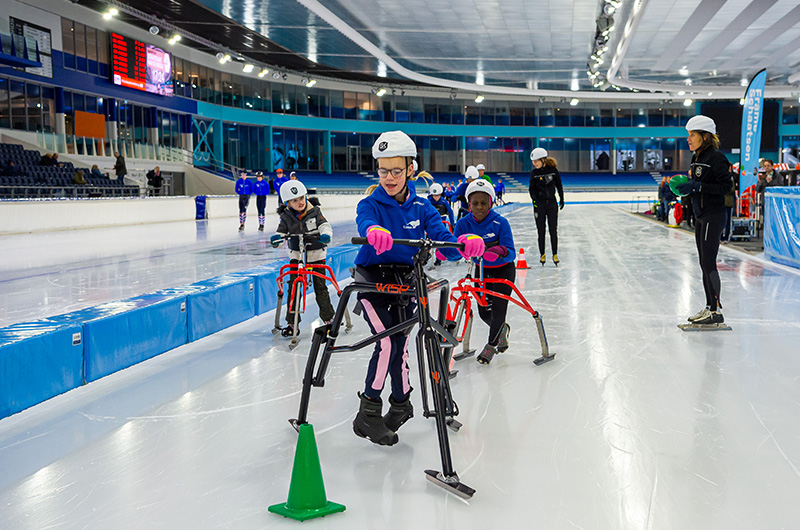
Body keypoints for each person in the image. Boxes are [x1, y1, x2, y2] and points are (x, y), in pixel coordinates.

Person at [351, 130, 484, 446]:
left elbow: (445, 243)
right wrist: (373, 231)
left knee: (400, 342)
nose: (389, 177)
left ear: (410, 169)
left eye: (396, 170)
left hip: (406, 282)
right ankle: (368, 410)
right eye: (383, 170)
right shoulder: (370, 204)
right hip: (372, 279)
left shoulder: (423, 208)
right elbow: (365, 222)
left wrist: (464, 244)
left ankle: (401, 402)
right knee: (386, 343)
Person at [440, 179, 516, 365]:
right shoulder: (463, 224)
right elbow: (456, 248)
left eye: (484, 203)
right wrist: (446, 252)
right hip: (481, 271)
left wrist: (499, 252)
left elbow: (511, 251)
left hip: (503, 271)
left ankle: (491, 346)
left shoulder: (500, 222)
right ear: (469, 204)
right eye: (475, 203)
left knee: (499, 308)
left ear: (490, 203)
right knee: (483, 312)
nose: (480, 207)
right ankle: (501, 330)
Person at [674, 115, 733, 325]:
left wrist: (697, 187)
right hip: (700, 215)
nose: (688, 139)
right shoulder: (697, 157)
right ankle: (709, 307)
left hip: (713, 215)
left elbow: (726, 188)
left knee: (709, 262)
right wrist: (687, 188)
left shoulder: (716, 158)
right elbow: (698, 183)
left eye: (692, 135)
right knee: (703, 262)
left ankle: (715, 311)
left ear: (704, 136)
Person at [270, 180, 334, 335]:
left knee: (320, 288)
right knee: (293, 288)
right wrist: (277, 239)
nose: (299, 202)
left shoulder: (315, 211)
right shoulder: (286, 217)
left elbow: (325, 225)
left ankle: (329, 319)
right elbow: (281, 233)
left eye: (301, 198)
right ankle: (292, 323)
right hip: (297, 256)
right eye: (294, 200)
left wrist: (326, 235)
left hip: (315, 255)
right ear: (287, 203)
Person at [528, 147, 564, 265]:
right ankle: (542, 254)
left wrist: (562, 199)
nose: (534, 164)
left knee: (553, 230)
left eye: (535, 161)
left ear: (542, 160)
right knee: (541, 231)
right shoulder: (534, 173)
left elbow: (559, 185)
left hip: (552, 204)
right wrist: (535, 201)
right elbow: (531, 189)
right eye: (533, 162)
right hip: (540, 205)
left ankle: (555, 254)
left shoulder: (553, 171)